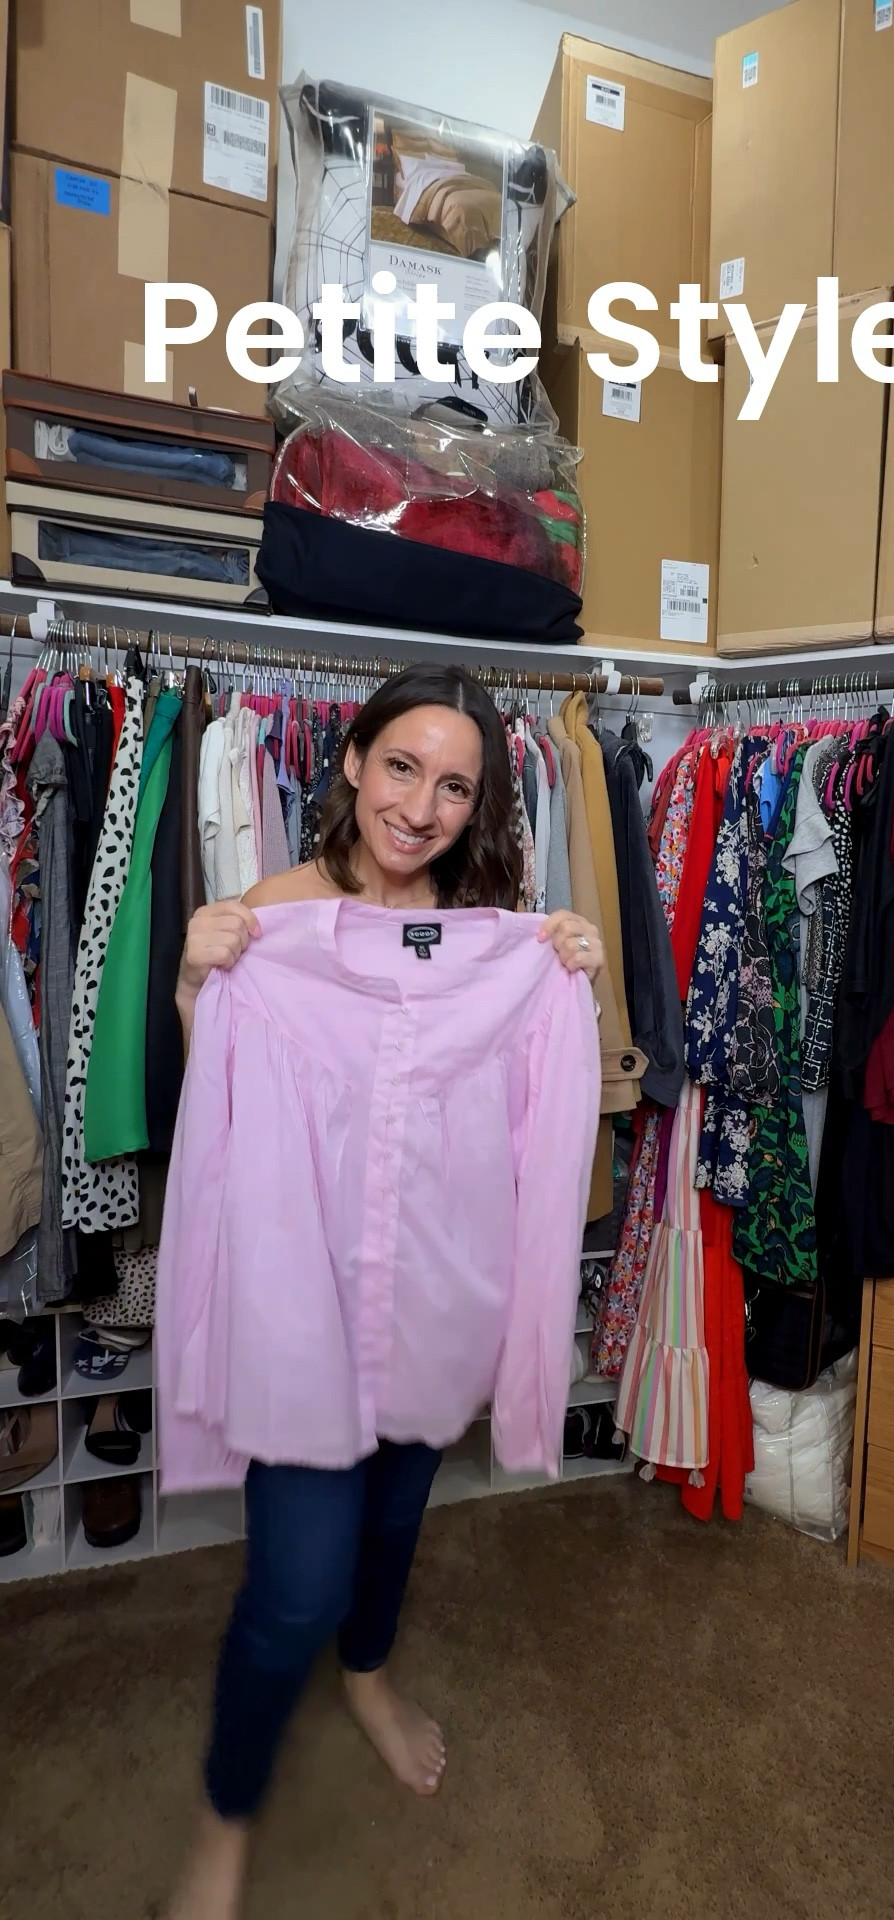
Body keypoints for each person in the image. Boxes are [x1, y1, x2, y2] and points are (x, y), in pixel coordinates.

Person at [167, 666, 606, 1920]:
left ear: (480, 806)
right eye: (402, 767)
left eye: (455, 784)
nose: (421, 805)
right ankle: (224, 1811)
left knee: (398, 1515)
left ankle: (366, 1674)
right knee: (295, 1581)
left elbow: (536, 1095)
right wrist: (201, 982)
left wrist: (567, 969)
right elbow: (221, 1101)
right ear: (352, 761)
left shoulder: (496, 933)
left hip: (437, 1288)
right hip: (305, 1296)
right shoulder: (272, 919)